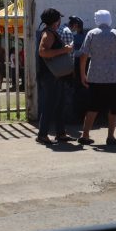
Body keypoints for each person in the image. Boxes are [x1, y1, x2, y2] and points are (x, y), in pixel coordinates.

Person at [78, 10, 116, 146]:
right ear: (109, 19)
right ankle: (111, 136)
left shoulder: (91, 34)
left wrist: (83, 74)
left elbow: (83, 56)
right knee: (114, 107)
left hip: (96, 77)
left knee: (93, 106)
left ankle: (85, 134)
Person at [36, 8, 74, 145]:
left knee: (59, 104)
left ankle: (60, 133)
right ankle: (42, 135)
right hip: (50, 76)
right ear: (55, 21)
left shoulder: (50, 32)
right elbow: (43, 52)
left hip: (54, 75)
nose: (60, 21)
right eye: (59, 19)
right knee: (50, 104)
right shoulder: (48, 34)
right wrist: (65, 49)